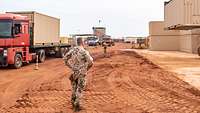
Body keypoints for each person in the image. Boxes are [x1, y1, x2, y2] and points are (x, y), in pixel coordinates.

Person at [63, 38, 93, 112]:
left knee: (74, 88)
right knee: (79, 89)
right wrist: (86, 69)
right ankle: (77, 105)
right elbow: (91, 62)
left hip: (74, 73)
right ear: (82, 42)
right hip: (82, 73)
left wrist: (71, 67)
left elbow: (65, 59)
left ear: (77, 42)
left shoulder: (73, 50)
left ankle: (73, 102)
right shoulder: (84, 51)